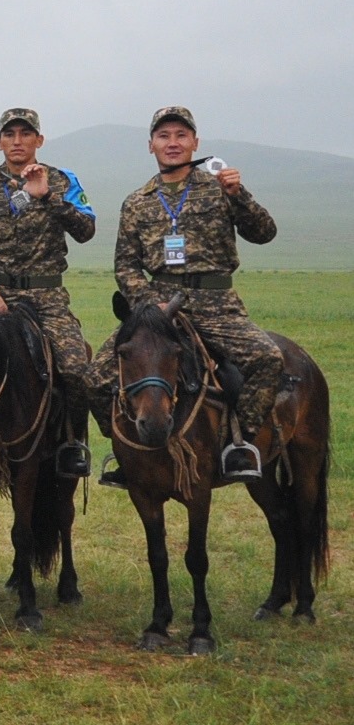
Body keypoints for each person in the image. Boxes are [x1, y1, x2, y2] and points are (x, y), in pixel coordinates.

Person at [93, 106, 280, 481]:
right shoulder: (137, 201)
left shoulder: (221, 187)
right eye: (164, 136)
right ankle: (128, 455)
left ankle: (238, 444)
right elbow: (126, 266)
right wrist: (151, 305)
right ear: (151, 146)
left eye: (181, 135)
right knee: (94, 377)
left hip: (217, 307)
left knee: (267, 359)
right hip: (159, 309)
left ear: (195, 142)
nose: (173, 143)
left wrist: (239, 194)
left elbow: (264, 232)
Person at [0, 107, 96, 477]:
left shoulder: (63, 181)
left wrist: (48, 196)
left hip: (47, 300)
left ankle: (72, 443)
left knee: (76, 369)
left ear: (39, 140)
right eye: (10, 134)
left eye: (25, 134)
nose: (17, 141)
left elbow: (86, 230)